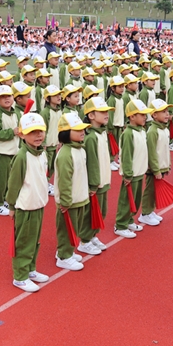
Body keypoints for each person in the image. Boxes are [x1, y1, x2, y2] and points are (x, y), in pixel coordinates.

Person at [6, 113, 51, 292]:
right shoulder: (22, 156)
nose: (38, 135)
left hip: (38, 204)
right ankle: (20, 276)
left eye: (40, 131)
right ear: (22, 134)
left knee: (34, 240)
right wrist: (11, 205)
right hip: (25, 207)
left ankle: (30, 268)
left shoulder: (42, 153)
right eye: (33, 132)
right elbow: (14, 183)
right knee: (24, 242)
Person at [54, 112, 91, 271]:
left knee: (75, 227)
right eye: (78, 130)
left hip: (80, 196)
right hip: (69, 201)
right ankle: (64, 256)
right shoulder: (66, 154)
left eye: (83, 129)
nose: (82, 132)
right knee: (66, 229)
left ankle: (67, 251)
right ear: (66, 133)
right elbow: (64, 180)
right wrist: (66, 200)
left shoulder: (80, 149)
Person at [78, 97, 114, 255]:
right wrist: (93, 184)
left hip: (103, 179)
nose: (106, 114)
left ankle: (92, 235)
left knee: (102, 211)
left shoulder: (102, 133)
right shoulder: (91, 137)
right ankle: (84, 241)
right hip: (96, 183)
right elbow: (92, 162)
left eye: (107, 111)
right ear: (91, 116)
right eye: (102, 112)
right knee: (92, 212)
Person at [114, 99, 152, 239]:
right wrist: (128, 174)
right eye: (141, 114)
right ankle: (120, 224)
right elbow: (127, 155)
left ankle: (129, 219)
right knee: (126, 200)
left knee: (135, 200)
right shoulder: (128, 133)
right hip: (131, 174)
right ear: (132, 116)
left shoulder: (142, 131)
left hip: (140, 171)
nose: (144, 117)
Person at [140, 98, 172, 225]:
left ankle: (151, 210)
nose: (167, 114)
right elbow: (152, 152)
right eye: (163, 112)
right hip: (154, 168)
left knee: (156, 190)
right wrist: (155, 169)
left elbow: (165, 149)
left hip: (162, 166)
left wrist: (168, 163)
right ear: (154, 115)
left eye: (167, 111)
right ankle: (145, 213)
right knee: (150, 190)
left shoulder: (165, 129)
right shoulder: (153, 131)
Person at [0, 84, 19, 216]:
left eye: (9, 96)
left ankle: (5, 199)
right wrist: (12, 132)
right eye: (2, 97)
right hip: (2, 153)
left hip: (14, 151)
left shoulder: (15, 113)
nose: (6, 99)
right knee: (1, 179)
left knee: (10, 178)